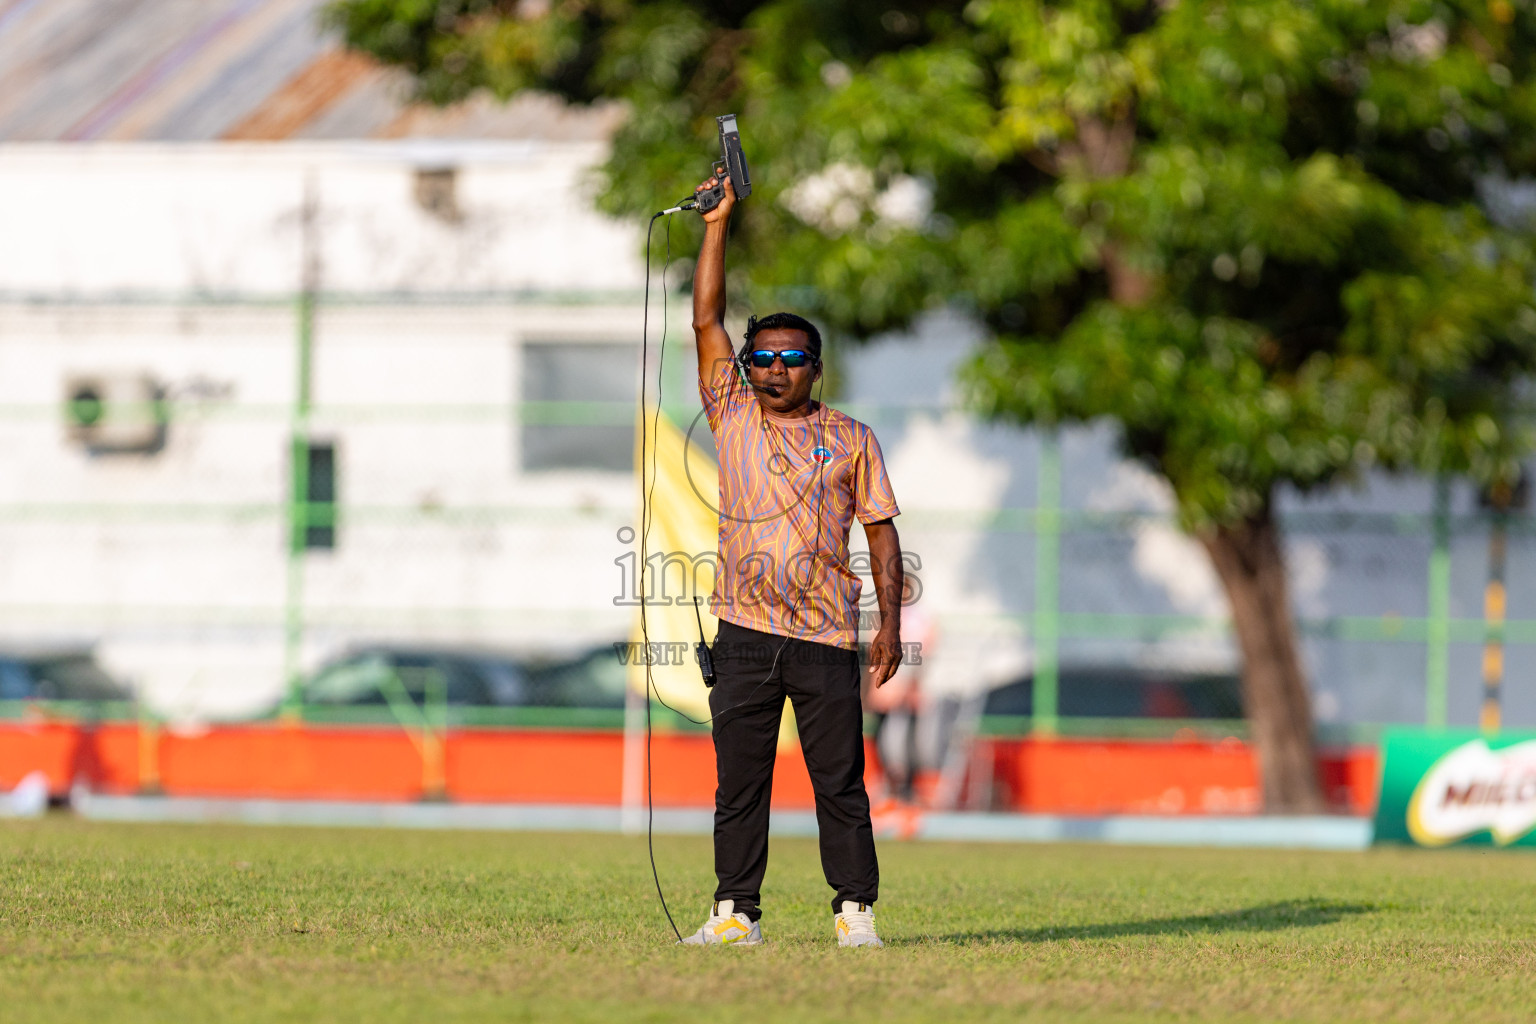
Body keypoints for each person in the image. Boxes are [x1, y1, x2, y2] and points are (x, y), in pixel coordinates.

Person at [680, 170, 905, 949]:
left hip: (824, 637)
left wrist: (886, 625)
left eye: (793, 357)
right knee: (739, 786)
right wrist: (718, 224)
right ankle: (735, 914)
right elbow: (706, 314)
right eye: (764, 356)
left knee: (838, 785)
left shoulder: (852, 437)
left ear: (816, 366)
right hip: (742, 632)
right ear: (746, 366)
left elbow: (880, 532)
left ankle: (854, 914)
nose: (776, 368)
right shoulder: (734, 416)